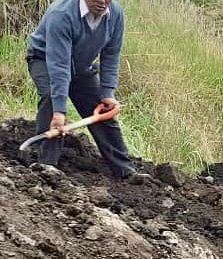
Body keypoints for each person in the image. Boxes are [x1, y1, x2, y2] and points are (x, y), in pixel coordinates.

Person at [26, 0, 144, 180]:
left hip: (82, 66)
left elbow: (111, 55)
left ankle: (125, 171)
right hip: (45, 59)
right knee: (51, 98)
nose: (103, 2)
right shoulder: (62, 14)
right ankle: (45, 167)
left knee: (102, 108)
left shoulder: (115, 14)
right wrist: (59, 111)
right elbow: (59, 66)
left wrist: (107, 92)